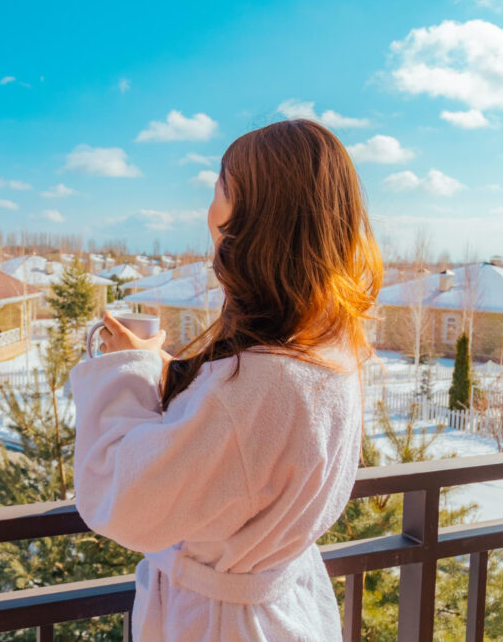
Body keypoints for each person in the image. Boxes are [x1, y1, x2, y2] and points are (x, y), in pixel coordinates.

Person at [69, 118, 382, 641]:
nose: (211, 209)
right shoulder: (327, 354)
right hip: (283, 611)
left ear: (255, 215)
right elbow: (240, 450)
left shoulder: (260, 385)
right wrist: (179, 378)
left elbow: (121, 500)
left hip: (221, 625)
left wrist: (128, 372)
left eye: (222, 187)